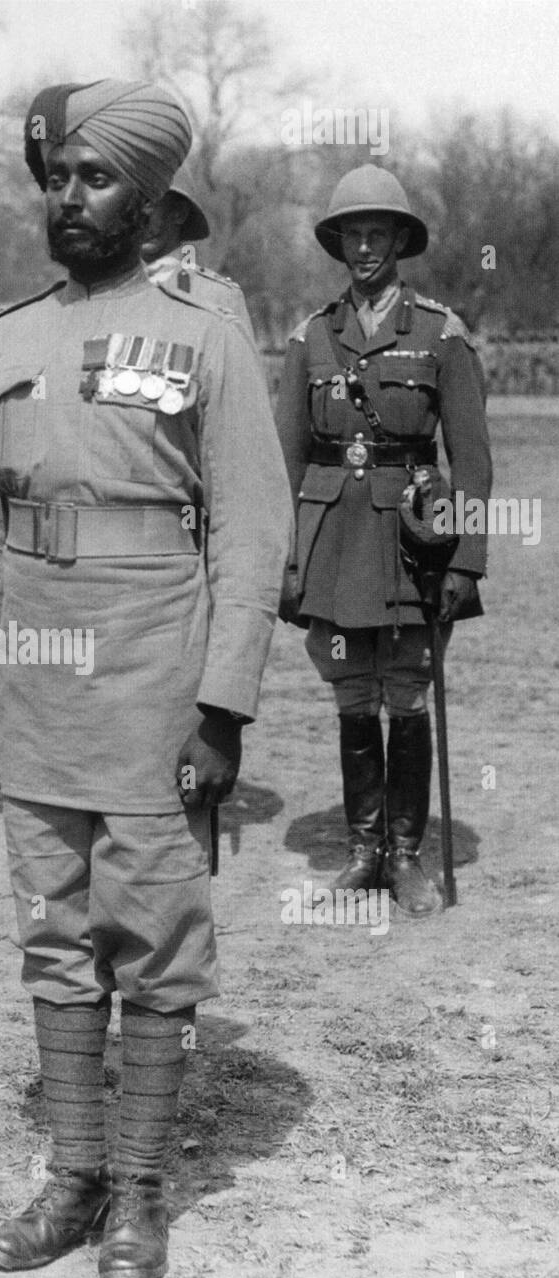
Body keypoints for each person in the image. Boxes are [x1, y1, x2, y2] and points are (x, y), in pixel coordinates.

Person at [0, 79, 292, 1278]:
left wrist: (221, 707)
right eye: (58, 178)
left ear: (148, 204)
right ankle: (74, 1176)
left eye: (95, 180)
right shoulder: (6, 337)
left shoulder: (205, 332)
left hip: (154, 670)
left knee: (151, 938)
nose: (70, 199)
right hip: (35, 681)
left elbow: (252, 529)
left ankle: (142, 1191)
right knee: (53, 932)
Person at [275, 164, 492, 916]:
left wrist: (466, 558)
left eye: (378, 232)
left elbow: (473, 456)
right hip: (332, 541)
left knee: (406, 691)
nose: (364, 247)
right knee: (351, 694)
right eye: (351, 235)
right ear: (338, 244)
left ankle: (405, 855)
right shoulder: (311, 337)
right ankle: (363, 852)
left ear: (401, 239)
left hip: (412, 543)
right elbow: (285, 460)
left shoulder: (440, 334)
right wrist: (286, 557)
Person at [141, 157, 257, 346]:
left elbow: (239, 373)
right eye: (132, 205)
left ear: (179, 213)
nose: (141, 216)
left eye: (151, 203)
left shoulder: (218, 298)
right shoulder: (105, 293)